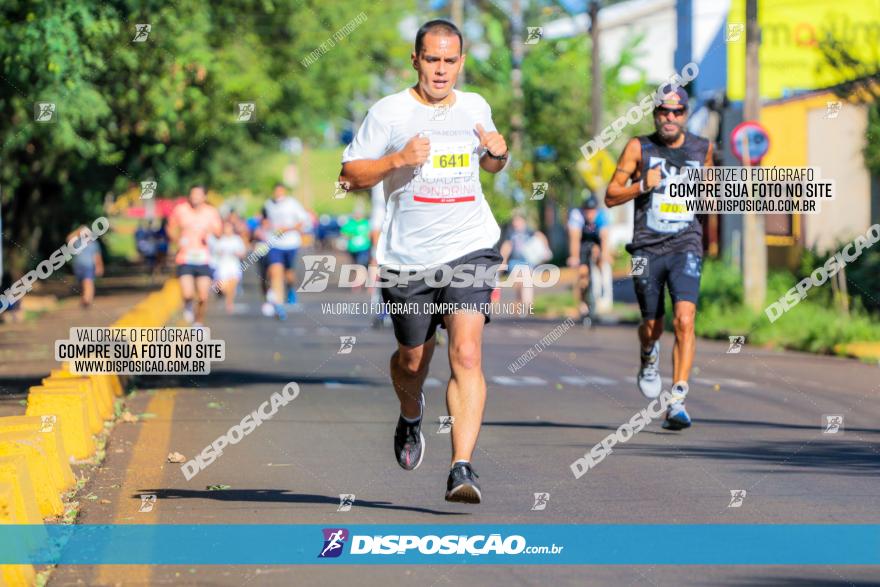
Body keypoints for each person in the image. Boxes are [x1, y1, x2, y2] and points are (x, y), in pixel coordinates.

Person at [339, 19, 509, 504]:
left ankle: (461, 467)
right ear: (415, 60)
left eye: (449, 61)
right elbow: (349, 175)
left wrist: (498, 154)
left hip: (470, 246)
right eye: (431, 60)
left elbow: (492, 160)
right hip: (407, 259)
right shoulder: (389, 112)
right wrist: (396, 160)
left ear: (461, 61)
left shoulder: (475, 106)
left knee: (468, 354)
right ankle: (411, 415)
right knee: (413, 360)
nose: (440, 70)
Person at [605, 86, 713, 431]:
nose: (670, 118)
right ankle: (648, 355)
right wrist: (642, 185)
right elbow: (610, 196)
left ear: (685, 114)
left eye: (677, 112)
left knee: (685, 319)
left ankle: (678, 399)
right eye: (663, 112)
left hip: (686, 245)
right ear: (655, 115)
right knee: (653, 325)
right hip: (645, 250)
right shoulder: (639, 148)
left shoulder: (702, 148)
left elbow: (711, 195)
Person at [167, 185, 223, 326]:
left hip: (204, 258)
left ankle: (198, 322)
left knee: (203, 296)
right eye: (193, 194)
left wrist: (211, 232)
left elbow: (219, 232)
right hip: (185, 257)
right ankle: (187, 305)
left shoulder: (211, 212)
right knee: (187, 294)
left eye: (198, 194)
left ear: (204, 197)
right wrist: (176, 240)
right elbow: (170, 227)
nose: (195, 197)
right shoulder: (181, 210)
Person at [262, 183, 309, 320]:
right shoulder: (268, 204)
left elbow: (302, 222)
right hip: (274, 243)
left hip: (291, 243)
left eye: (280, 191)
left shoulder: (293, 204)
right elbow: (264, 220)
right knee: (276, 273)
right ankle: (279, 305)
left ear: (284, 192)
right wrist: (266, 226)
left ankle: (290, 288)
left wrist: (287, 229)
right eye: (276, 191)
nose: (278, 194)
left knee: (289, 273)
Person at [566, 194, 610, 327]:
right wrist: (574, 257)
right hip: (582, 243)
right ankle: (583, 303)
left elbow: (604, 238)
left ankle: (601, 286)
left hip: (596, 241)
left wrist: (604, 255)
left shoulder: (602, 216)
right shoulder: (576, 215)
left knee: (600, 258)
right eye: (587, 210)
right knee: (582, 273)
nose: (589, 214)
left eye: (592, 211)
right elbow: (574, 238)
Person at [499, 212, 550, 316]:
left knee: (526, 282)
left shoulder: (529, 231)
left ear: (523, 222)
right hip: (514, 262)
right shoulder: (511, 234)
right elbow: (506, 247)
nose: (516, 223)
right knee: (519, 284)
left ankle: (526, 305)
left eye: (518, 221)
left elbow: (541, 236)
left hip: (527, 262)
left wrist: (546, 250)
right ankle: (521, 304)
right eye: (514, 221)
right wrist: (502, 261)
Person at [212, 220, 247, 314]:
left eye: (229, 227)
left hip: (234, 265)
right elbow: (215, 252)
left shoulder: (237, 239)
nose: (227, 230)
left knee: (233, 284)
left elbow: (243, 253)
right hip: (223, 266)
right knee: (224, 287)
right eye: (226, 228)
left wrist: (237, 253)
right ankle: (219, 291)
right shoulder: (221, 240)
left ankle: (229, 303)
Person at [67, 225, 104, 308]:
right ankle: (85, 298)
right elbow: (69, 238)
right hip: (78, 267)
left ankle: (87, 299)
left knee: (88, 282)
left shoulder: (94, 244)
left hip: (89, 266)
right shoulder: (77, 242)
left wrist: (99, 267)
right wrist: (78, 231)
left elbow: (97, 256)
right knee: (82, 283)